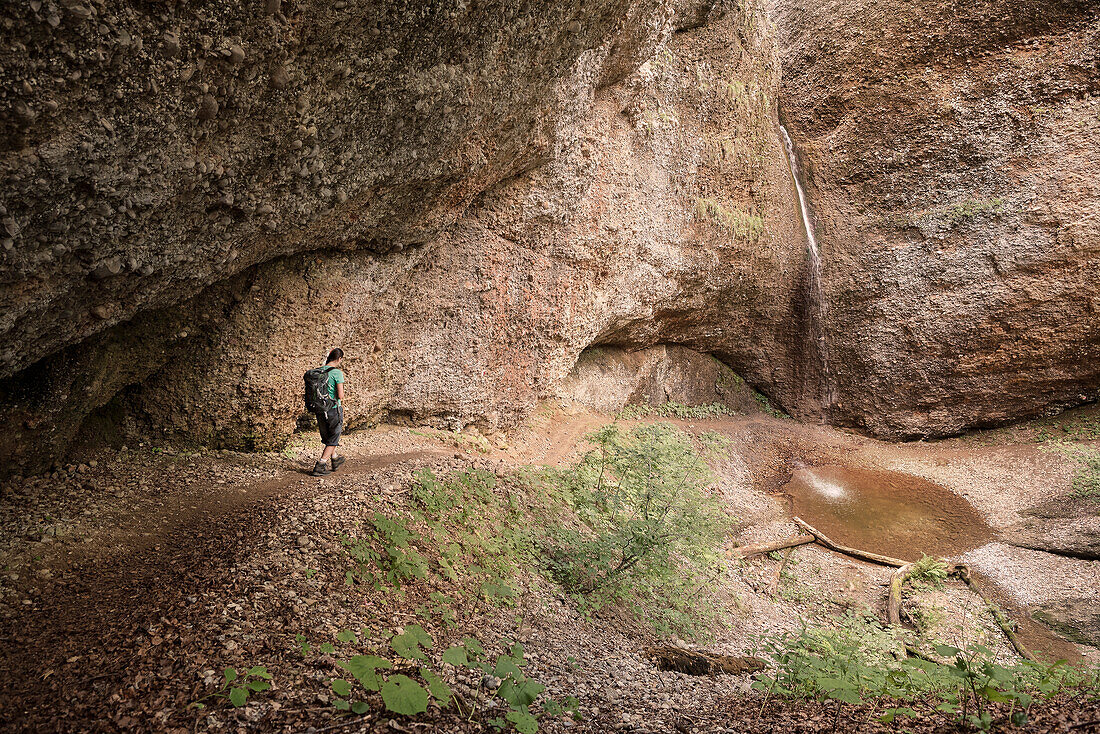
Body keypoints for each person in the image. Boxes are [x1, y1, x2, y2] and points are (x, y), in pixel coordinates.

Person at [311, 348, 346, 476]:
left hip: (320, 409)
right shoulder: (337, 373)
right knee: (334, 437)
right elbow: (340, 395)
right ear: (339, 359)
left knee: (329, 436)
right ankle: (321, 464)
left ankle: (335, 459)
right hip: (333, 409)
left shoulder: (318, 371)